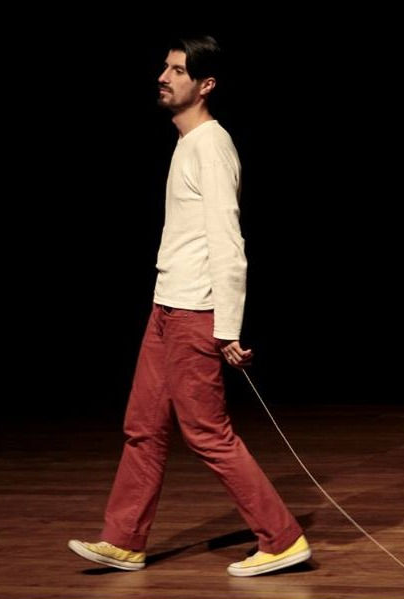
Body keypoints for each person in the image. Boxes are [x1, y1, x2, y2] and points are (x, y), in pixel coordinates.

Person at [68, 35, 310, 577]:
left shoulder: (212, 146)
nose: (163, 76)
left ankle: (282, 538)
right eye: (165, 67)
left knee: (206, 433)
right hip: (166, 307)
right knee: (143, 427)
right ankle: (124, 540)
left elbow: (228, 241)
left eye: (177, 70)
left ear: (206, 85)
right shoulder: (188, 143)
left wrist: (228, 327)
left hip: (195, 313)